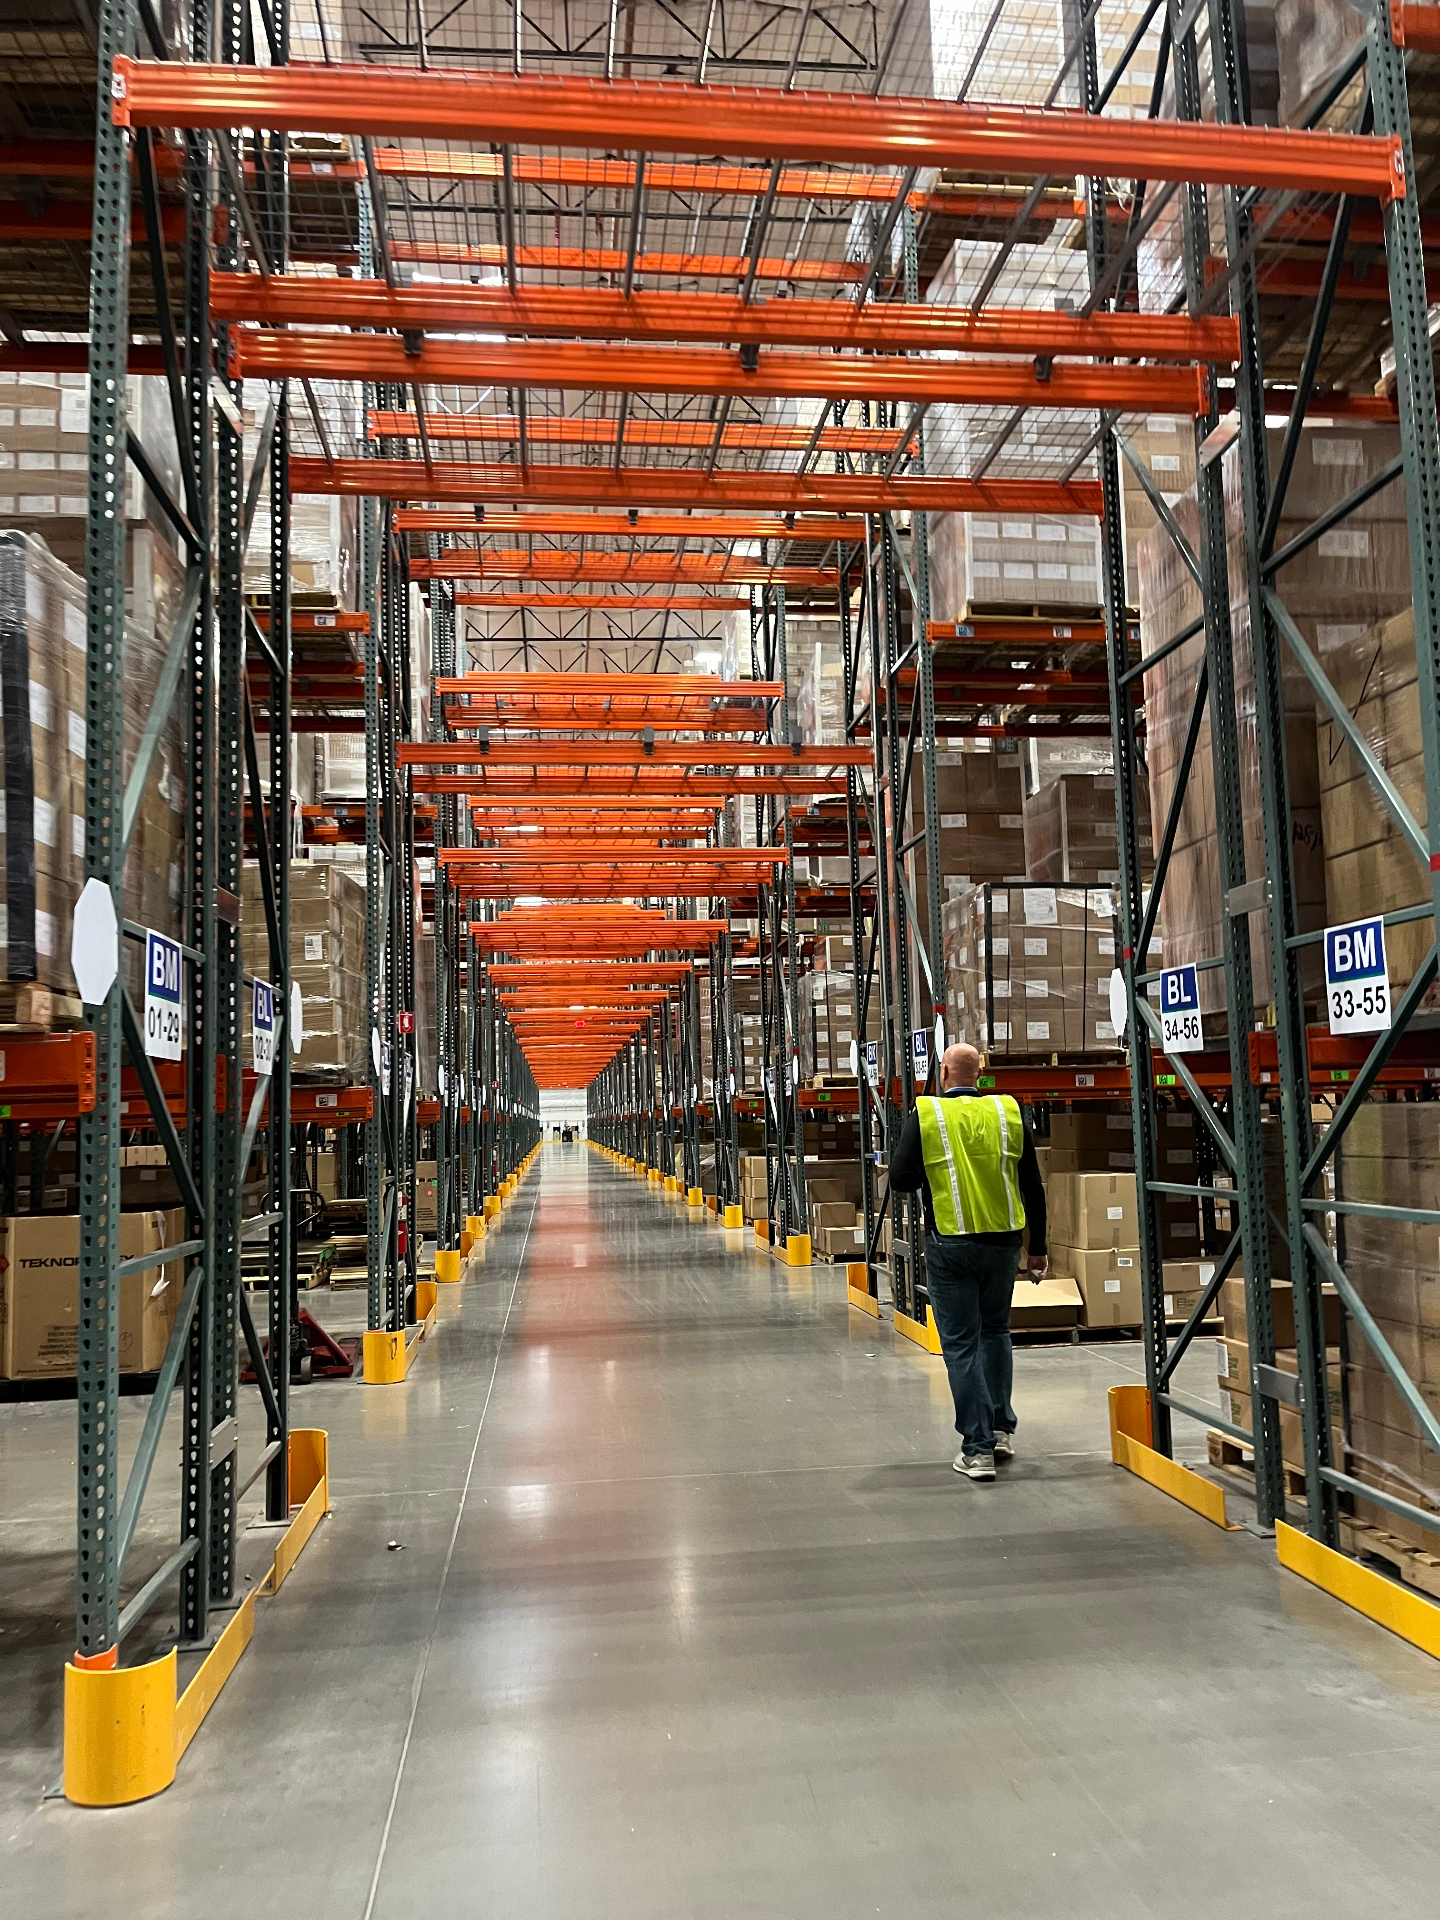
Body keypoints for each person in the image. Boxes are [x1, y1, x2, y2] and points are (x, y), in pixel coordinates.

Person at [888, 1041, 1048, 1483]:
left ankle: (977, 1450)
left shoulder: (928, 1115)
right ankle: (999, 1430)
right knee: (995, 1331)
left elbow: (900, 1179)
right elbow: (1032, 1184)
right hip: (1004, 1243)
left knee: (960, 1344)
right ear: (981, 1074)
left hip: (952, 1244)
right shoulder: (1008, 1112)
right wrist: (1040, 1248)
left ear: (943, 1073)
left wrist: (933, 1174)